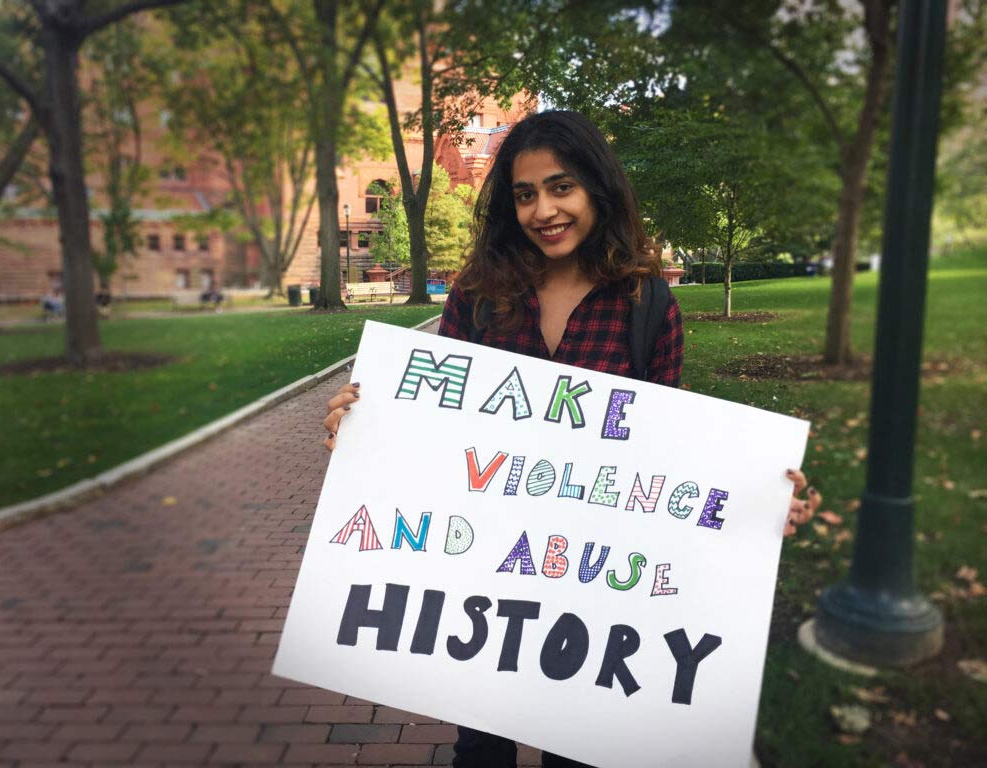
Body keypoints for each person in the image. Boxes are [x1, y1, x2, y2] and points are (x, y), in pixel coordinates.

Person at [323, 110, 820, 768]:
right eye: (525, 194)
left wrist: (756, 500)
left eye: (561, 188)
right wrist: (364, 426)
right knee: (480, 746)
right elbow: (437, 428)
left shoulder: (646, 305)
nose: (543, 210)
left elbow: (669, 454)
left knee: (577, 749)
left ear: (597, 191)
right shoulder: (477, 295)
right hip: (482, 562)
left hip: (593, 579)